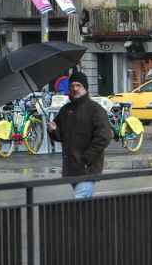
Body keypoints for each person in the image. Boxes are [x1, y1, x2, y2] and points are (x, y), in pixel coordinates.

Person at [46, 71, 112, 199]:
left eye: (78, 86)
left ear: (85, 88)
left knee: (79, 203)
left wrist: (86, 159)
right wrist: (53, 130)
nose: (75, 89)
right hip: (71, 168)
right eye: (72, 86)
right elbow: (60, 136)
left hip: (87, 169)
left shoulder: (95, 109)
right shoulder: (66, 110)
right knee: (83, 207)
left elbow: (104, 137)